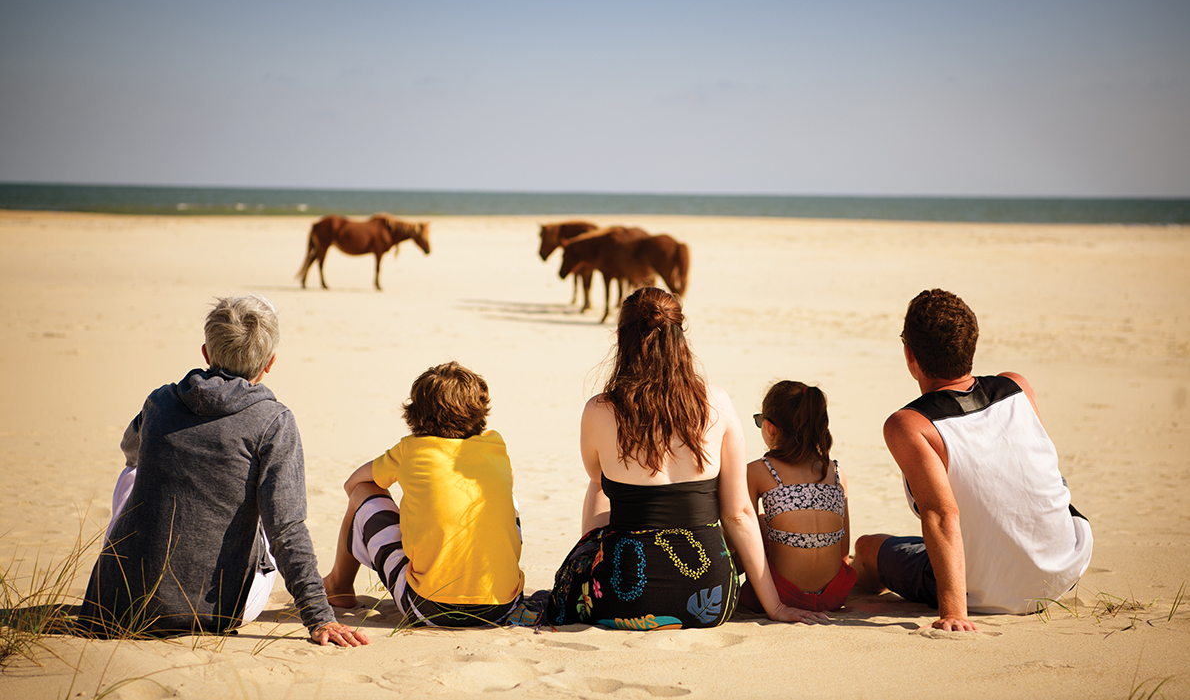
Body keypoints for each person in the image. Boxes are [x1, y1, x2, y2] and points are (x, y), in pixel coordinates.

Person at [79, 295, 367, 646]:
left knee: (135, 472)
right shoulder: (273, 420)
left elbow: (129, 449)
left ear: (205, 353)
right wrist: (319, 618)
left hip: (115, 604)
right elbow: (287, 529)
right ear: (270, 363)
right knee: (267, 505)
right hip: (211, 612)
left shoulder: (160, 400)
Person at [545, 287, 828, 630]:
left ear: (620, 338)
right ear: (680, 338)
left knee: (600, 483)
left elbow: (597, 475)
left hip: (620, 598)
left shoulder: (600, 409)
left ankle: (598, 562)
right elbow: (738, 514)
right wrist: (776, 605)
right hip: (709, 598)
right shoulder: (718, 402)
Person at [853, 289, 1094, 631]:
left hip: (986, 591)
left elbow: (941, 515)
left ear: (910, 355)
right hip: (1064, 569)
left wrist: (954, 613)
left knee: (866, 550)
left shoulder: (910, 425)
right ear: (972, 345)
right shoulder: (1017, 386)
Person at [322, 361, 525, 627]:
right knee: (504, 498)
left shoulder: (412, 450)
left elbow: (353, 485)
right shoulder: (495, 445)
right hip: (502, 607)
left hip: (428, 608)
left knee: (363, 493)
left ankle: (339, 586)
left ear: (415, 413)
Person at [739, 381, 856, 614]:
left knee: (757, 523)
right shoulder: (836, 472)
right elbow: (843, 551)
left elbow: (742, 537)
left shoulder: (758, 471)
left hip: (783, 594)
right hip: (833, 596)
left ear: (770, 428)